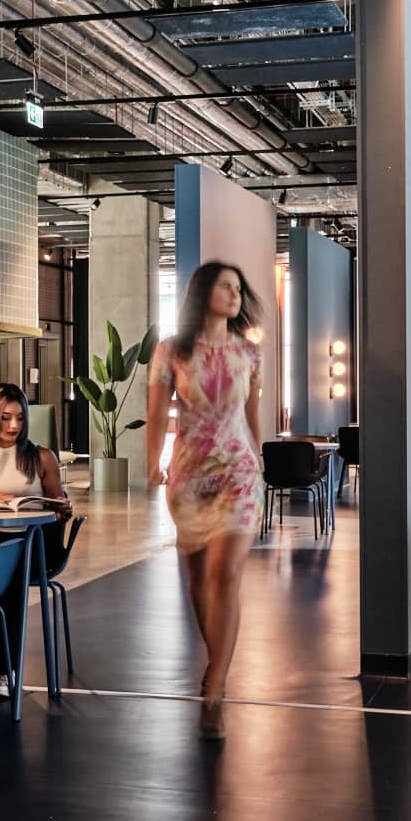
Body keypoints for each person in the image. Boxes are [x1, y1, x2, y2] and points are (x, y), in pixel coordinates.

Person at [145, 262, 264, 741]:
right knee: (198, 583)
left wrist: (260, 461)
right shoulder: (171, 350)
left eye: (239, 287)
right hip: (190, 476)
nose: (235, 294)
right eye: (225, 285)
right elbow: (156, 414)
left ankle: (215, 687)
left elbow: (253, 417)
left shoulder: (249, 354)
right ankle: (216, 671)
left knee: (224, 573)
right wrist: (152, 462)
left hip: (238, 472)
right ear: (203, 292)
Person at [0, 383, 70, 697]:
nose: (14, 426)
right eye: (5, 418)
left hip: (33, 540)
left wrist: (62, 509)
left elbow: (58, 509)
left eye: (20, 418)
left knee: (12, 566)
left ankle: (7, 671)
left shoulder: (41, 458)